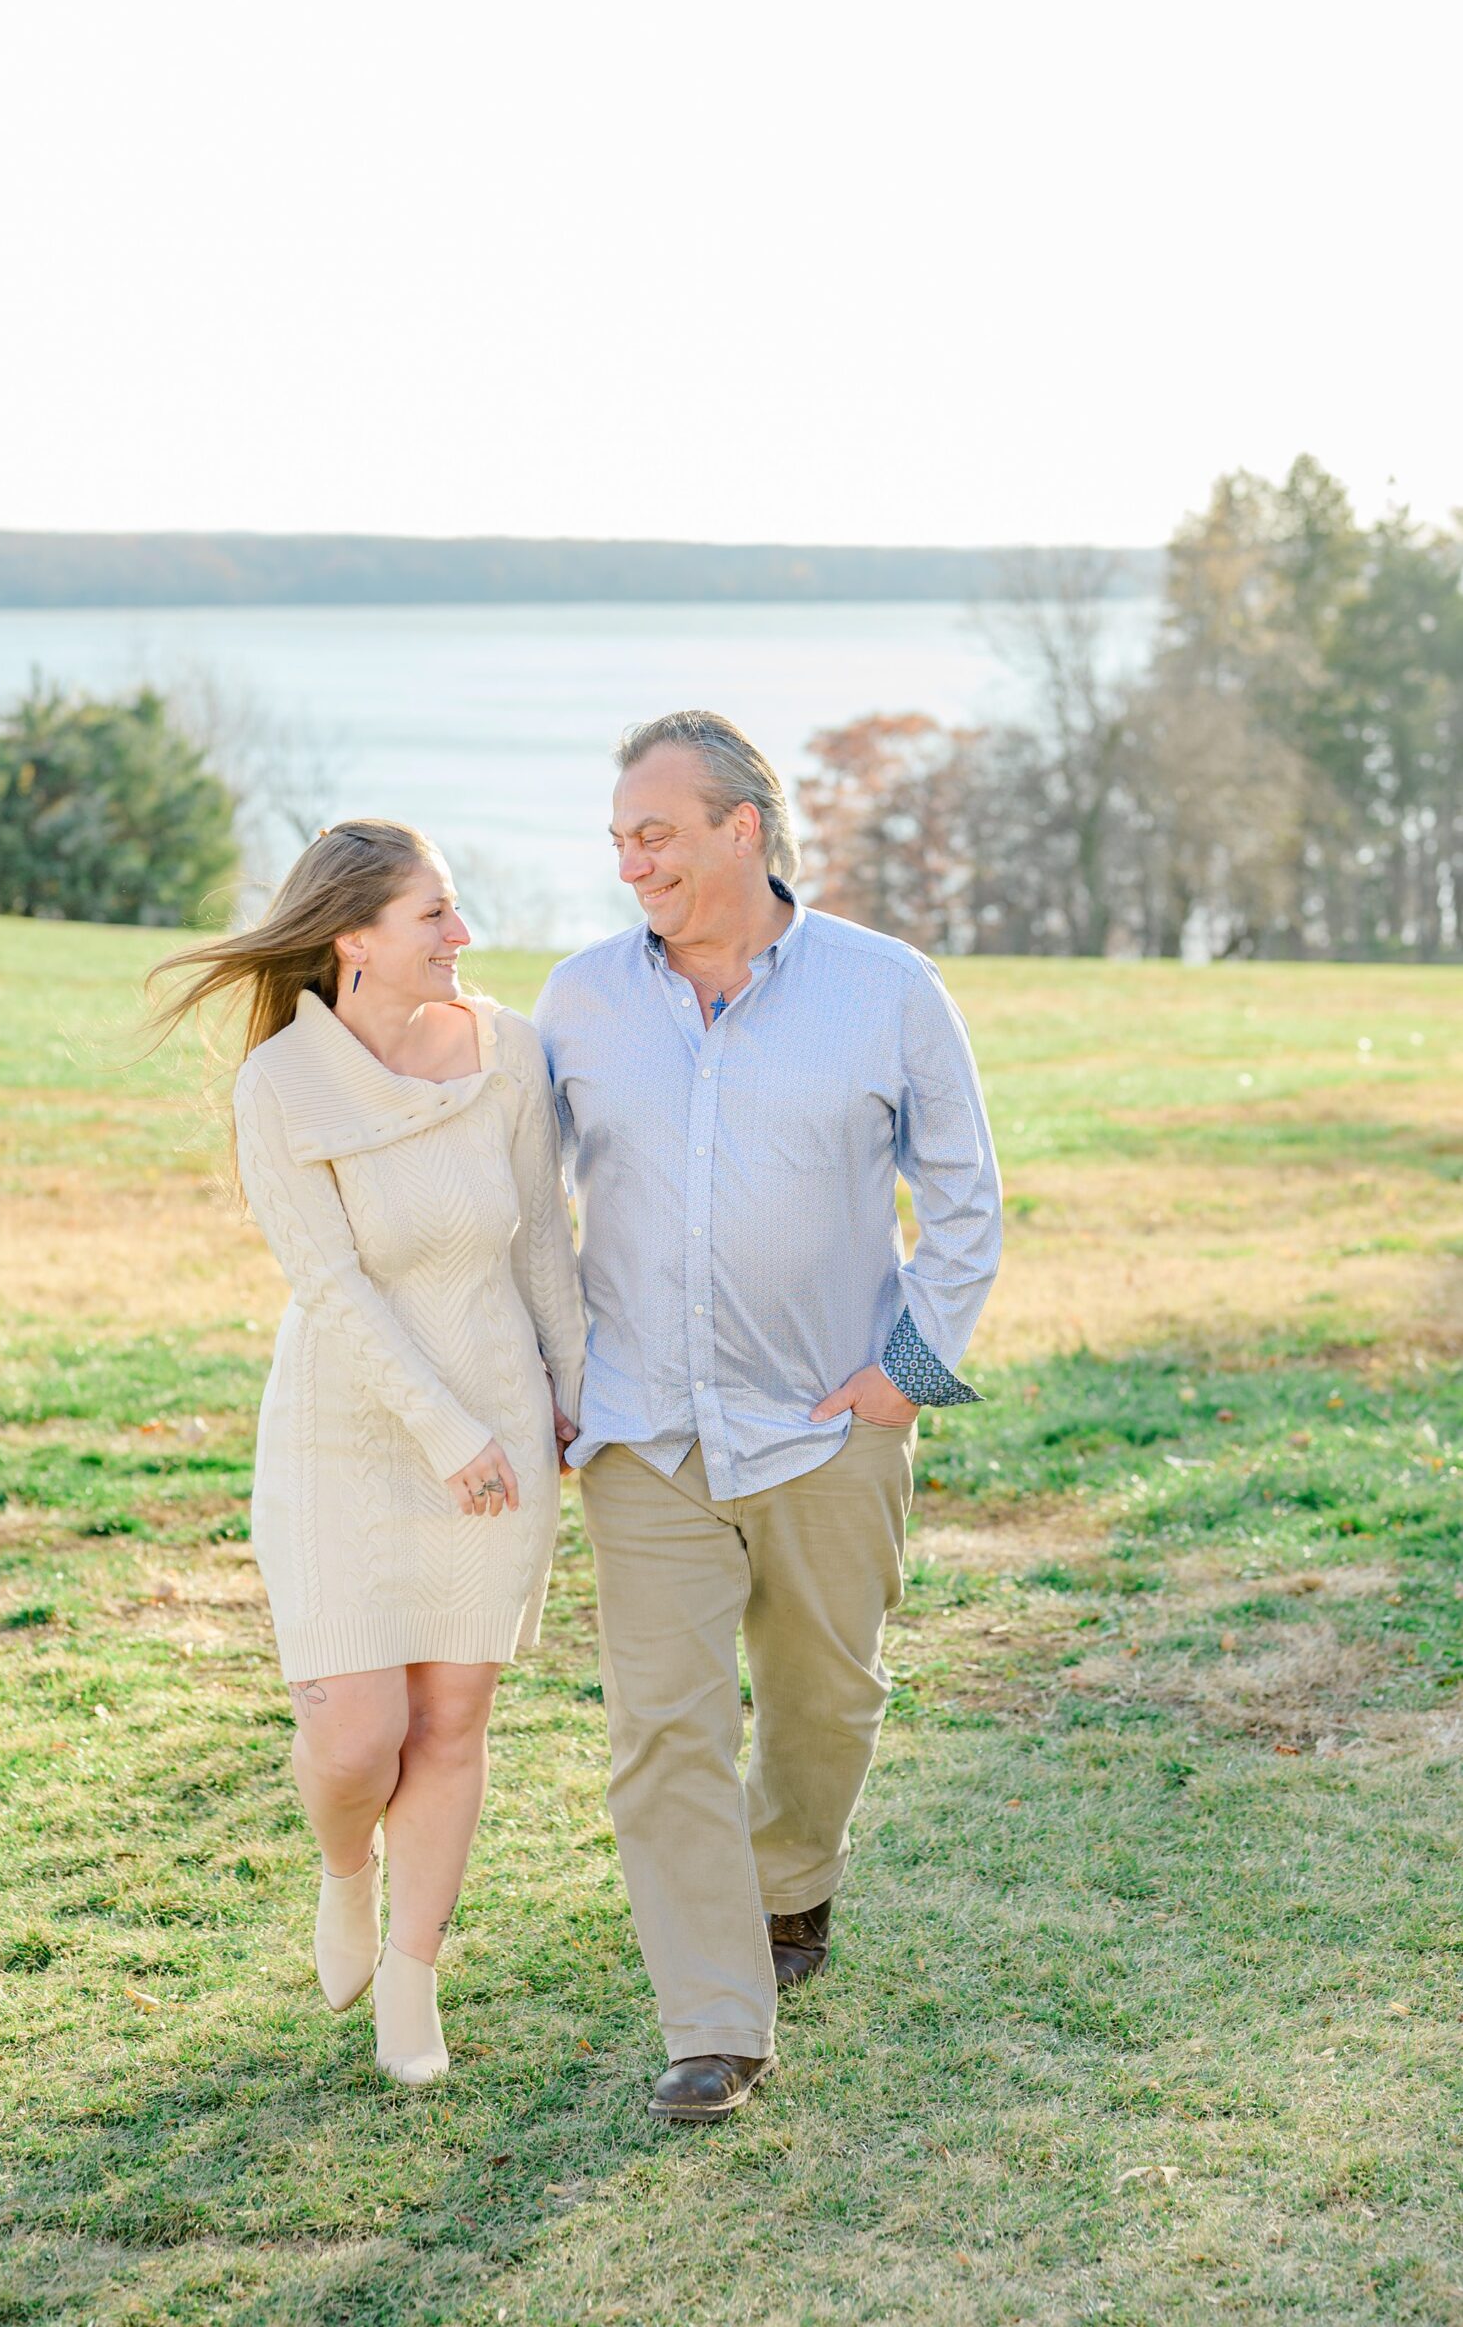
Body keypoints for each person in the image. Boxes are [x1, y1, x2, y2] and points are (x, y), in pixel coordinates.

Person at [535, 711, 1000, 2123]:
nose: (630, 863)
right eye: (618, 837)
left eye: (655, 833)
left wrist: (900, 1374)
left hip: (826, 1426)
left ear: (744, 827)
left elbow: (965, 1197)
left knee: (823, 1700)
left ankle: (791, 1881)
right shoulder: (577, 1001)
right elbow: (512, 1208)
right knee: (662, 1732)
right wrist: (551, 1380)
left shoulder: (885, 988)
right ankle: (714, 2023)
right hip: (642, 1434)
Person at [151, 820, 584, 2086]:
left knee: (450, 1721)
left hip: (498, 1417)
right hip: (347, 1429)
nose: (463, 936)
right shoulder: (279, 1087)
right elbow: (329, 1283)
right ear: (353, 940)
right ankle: (347, 1869)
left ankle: (412, 1975)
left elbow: (543, 1246)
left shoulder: (508, 1051)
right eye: (435, 915)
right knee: (355, 1738)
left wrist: (565, 1395)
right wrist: (445, 1434)